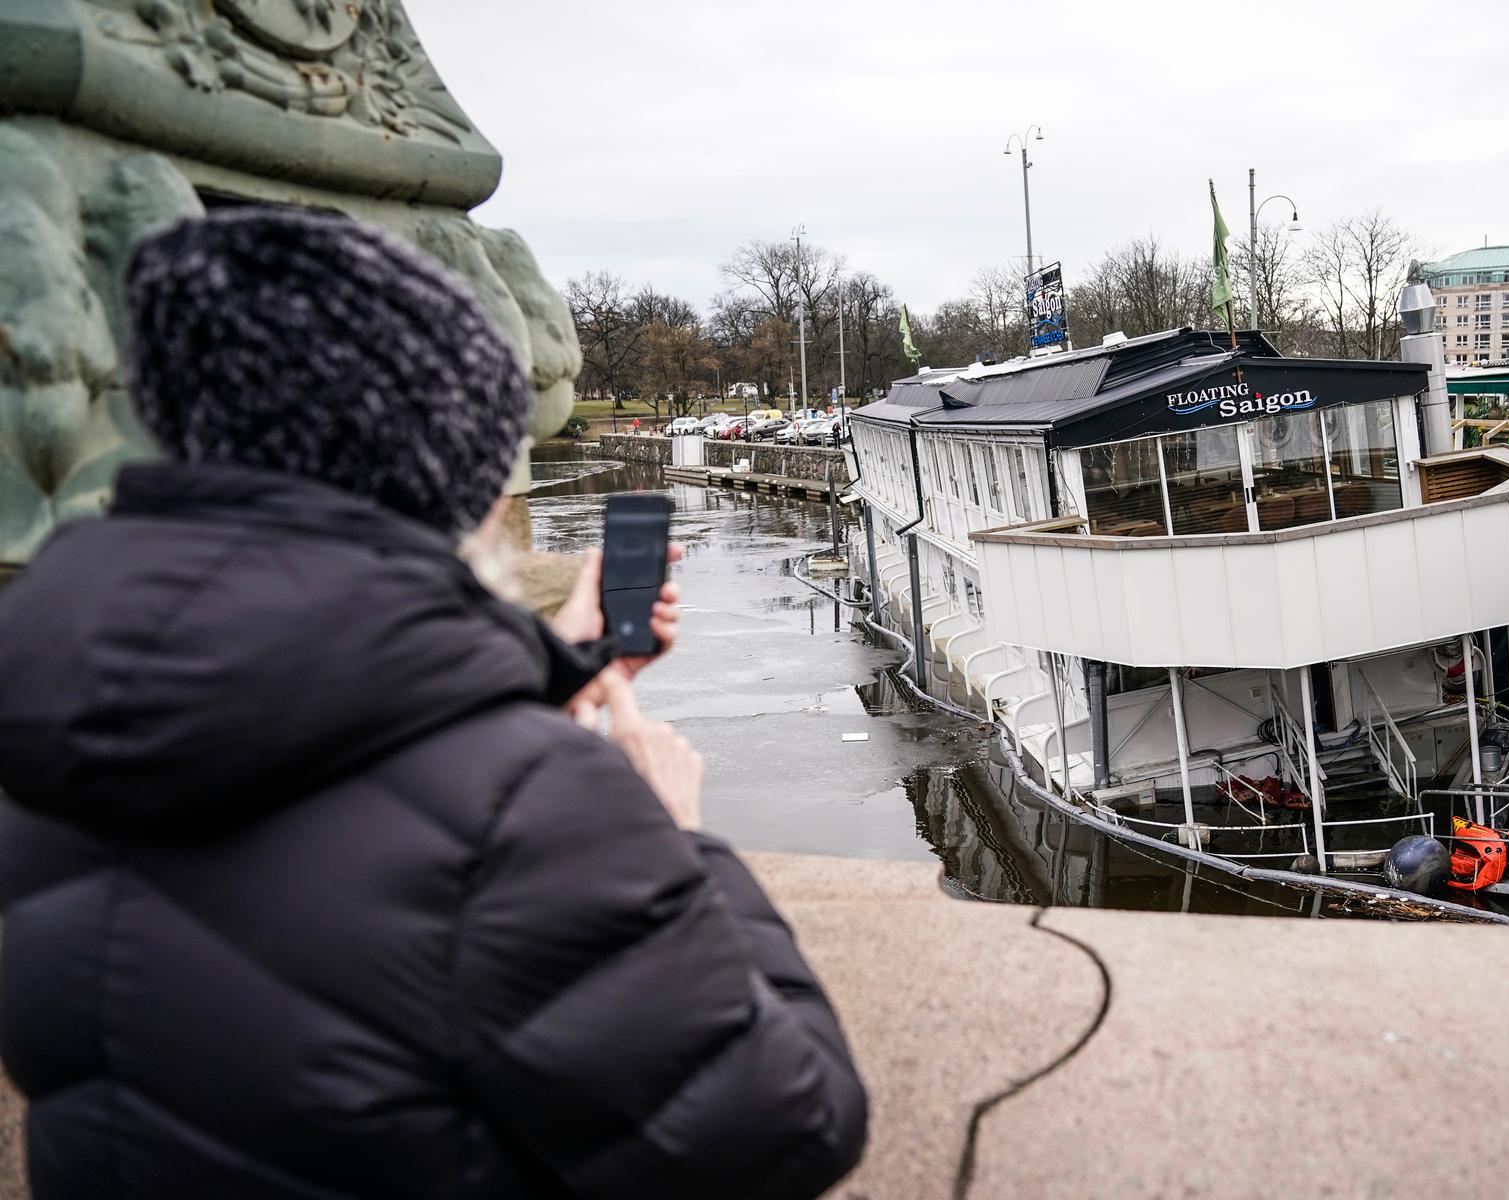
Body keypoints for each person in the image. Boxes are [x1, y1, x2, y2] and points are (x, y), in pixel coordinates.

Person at [0, 209, 867, 1198]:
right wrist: (673, 837)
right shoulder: (534, 809)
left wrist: (561, 665)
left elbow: (329, 777)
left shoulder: (65, 708)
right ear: (431, 470)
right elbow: (786, 1131)